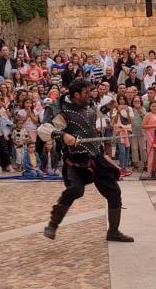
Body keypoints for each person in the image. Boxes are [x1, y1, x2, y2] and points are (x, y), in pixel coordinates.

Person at [44, 79, 133, 242]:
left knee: (114, 192)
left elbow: (94, 115)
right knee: (76, 190)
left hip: (95, 157)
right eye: (86, 92)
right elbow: (45, 129)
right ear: (76, 95)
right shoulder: (61, 110)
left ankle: (113, 232)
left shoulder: (89, 104)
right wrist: (63, 135)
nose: (90, 94)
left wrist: (108, 107)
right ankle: (52, 224)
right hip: (76, 160)